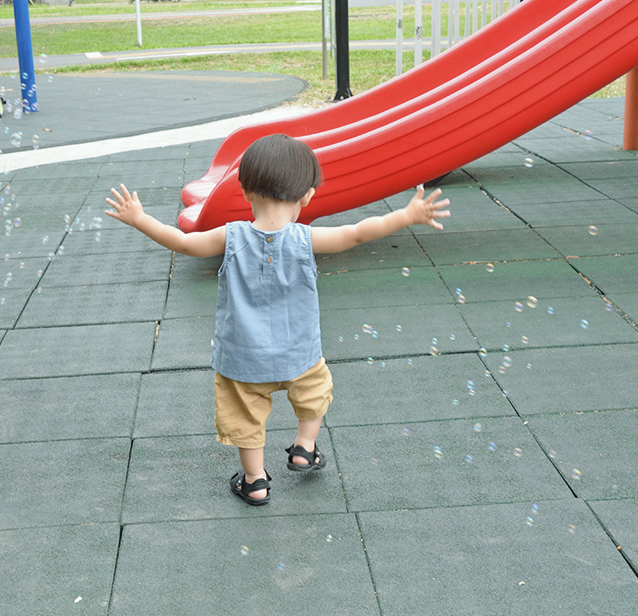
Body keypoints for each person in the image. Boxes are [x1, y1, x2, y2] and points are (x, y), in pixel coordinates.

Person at [105, 134, 451, 505]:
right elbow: (356, 234)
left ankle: (255, 482)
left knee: (246, 417)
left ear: (244, 189)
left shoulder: (230, 235)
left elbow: (185, 243)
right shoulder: (305, 239)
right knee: (315, 392)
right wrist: (407, 215)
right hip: (298, 352)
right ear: (307, 197)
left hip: (242, 358)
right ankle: (304, 446)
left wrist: (139, 219)